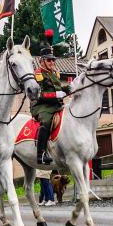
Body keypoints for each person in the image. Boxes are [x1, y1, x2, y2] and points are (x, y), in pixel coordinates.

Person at [31, 30, 72, 165]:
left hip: (56, 105)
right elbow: (38, 95)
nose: (52, 62)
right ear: (42, 60)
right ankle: (41, 154)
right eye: (49, 60)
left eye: (53, 60)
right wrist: (55, 95)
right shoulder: (38, 74)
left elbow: (61, 90)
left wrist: (72, 88)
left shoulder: (56, 73)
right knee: (46, 122)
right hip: (41, 106)